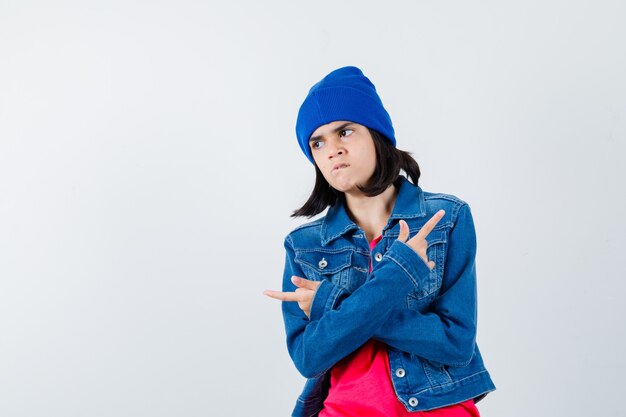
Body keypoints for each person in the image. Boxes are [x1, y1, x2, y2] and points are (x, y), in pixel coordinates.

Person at [264, 66, 495, 417]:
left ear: (376, 134)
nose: (332, 150)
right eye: (318, 141)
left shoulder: (445, 219)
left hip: (436, 409)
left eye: (345, 131)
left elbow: (455, 343)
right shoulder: (304, 245)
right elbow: (309, 358)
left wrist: (333, 305)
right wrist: (397, 275)